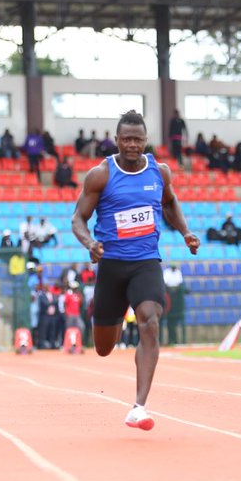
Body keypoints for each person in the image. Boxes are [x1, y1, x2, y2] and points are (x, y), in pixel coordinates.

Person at [71, 110, 200, 430]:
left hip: (146, 262)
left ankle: (139, 406)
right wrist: (90, 243)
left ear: (146, 140)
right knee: (103, 347)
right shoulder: (100, 174)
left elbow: (170, 203)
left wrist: (185, 233)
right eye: (126, 139)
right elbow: (77, 218)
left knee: (150, 321)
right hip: (112, 265)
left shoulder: (160, 171)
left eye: (138, 139)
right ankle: (107, 326)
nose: (132, 144)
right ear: (116, 140)